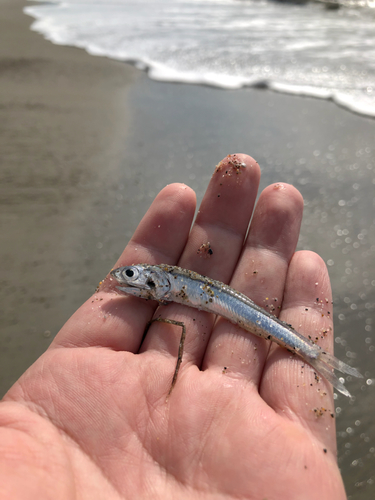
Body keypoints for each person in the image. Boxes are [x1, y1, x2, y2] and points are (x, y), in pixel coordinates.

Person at [0, 154, 347, 499]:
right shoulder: (160, 286)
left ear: (156, 279)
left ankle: (310, 352)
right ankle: (311, 353)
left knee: (261, 323)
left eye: (134, 276)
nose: (128, 282)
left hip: (235, 304)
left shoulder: (168, 281)